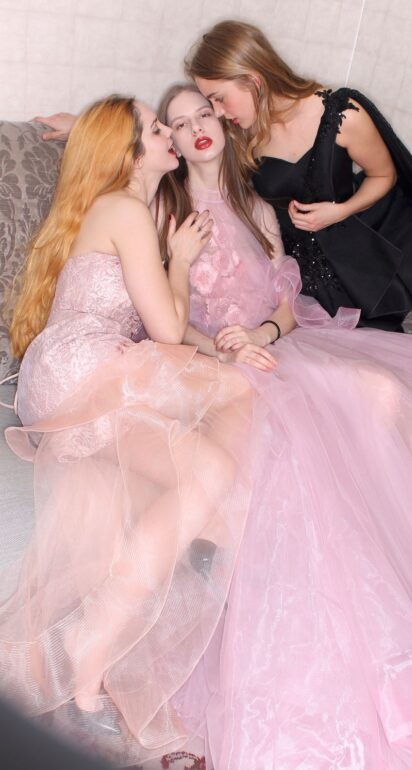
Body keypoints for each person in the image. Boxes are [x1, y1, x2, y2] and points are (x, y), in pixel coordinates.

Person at [154, 84, 412, 770]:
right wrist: (224, 344)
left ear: (222, 121)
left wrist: (266, 332)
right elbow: (164, 313)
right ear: (171, 140)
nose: (198, 129)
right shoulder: (168, 210)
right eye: (181, 124)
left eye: (205, 114)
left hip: (284, 341)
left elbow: (287, 294)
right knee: (314, 433)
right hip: (217, 358)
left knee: (406, 393)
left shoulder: (255, 202)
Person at [0, 94, 255, 767]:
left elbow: (168, 331)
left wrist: (67, 122)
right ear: (130, 152)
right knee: (233, 408)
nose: (170, 133)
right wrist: (181, 259)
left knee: (203, 475)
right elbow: (167, 330)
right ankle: (190, 554)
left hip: (74, 374)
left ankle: (89, 671)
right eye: (157, 128)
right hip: (90, 366)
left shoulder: (119, 207)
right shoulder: (125, 209)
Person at [185, 19, 412, 444]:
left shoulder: (340, 113)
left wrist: (339, 211)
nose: (219, 111)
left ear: (252, 78)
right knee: (376, 375)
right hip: (315, 277)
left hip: (373, 236)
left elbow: (384, 175)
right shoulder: (238, 134)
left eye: (219, 97)